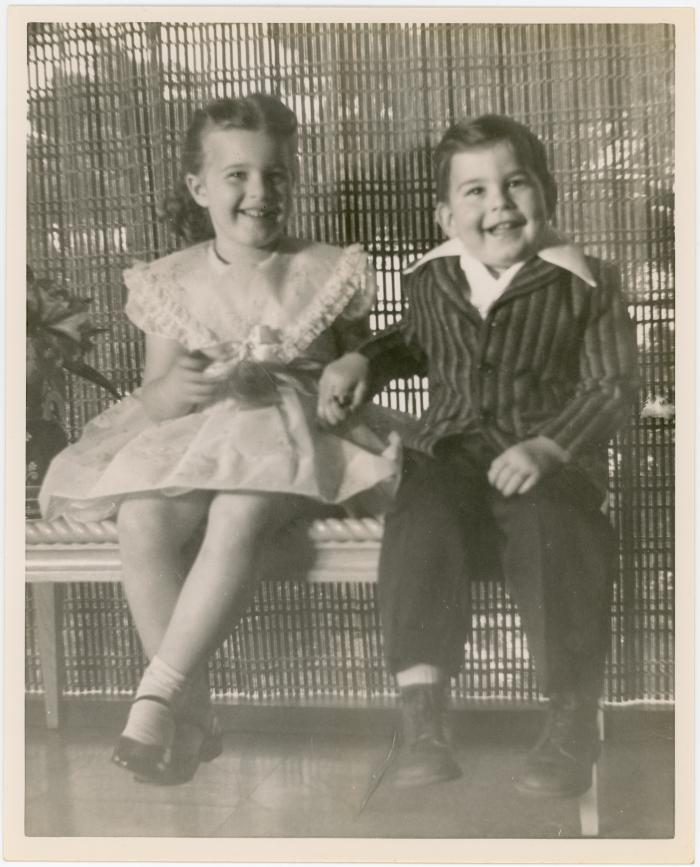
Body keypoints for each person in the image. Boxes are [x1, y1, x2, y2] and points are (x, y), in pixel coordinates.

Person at [39, 93, 404, 785]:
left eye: (275, 175)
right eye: (236, 175)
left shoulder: (327, 269)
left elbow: (357, 370)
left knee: (241, 502)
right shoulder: (170, 281)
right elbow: (157, 392)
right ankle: (193, 707)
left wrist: (338, 377)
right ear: (198, 187)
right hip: (196, 438)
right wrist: (172, 392)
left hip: (295, 442)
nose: (258, 192)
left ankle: (157, 697)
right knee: (143, 516)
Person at [318, 114, 638, 797]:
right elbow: (412, 339)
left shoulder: (587, 282)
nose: (498, 203)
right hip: (453, 456)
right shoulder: (432, 280)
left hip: (547, 464)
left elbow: (613, 386)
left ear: (547, 192)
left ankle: (570, 716)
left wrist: (552, 445)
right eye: (475, 191)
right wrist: (359, 360)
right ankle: (422, 713)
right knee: (420, 513)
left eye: (515, 183)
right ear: (445, 213)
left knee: (559, 531)